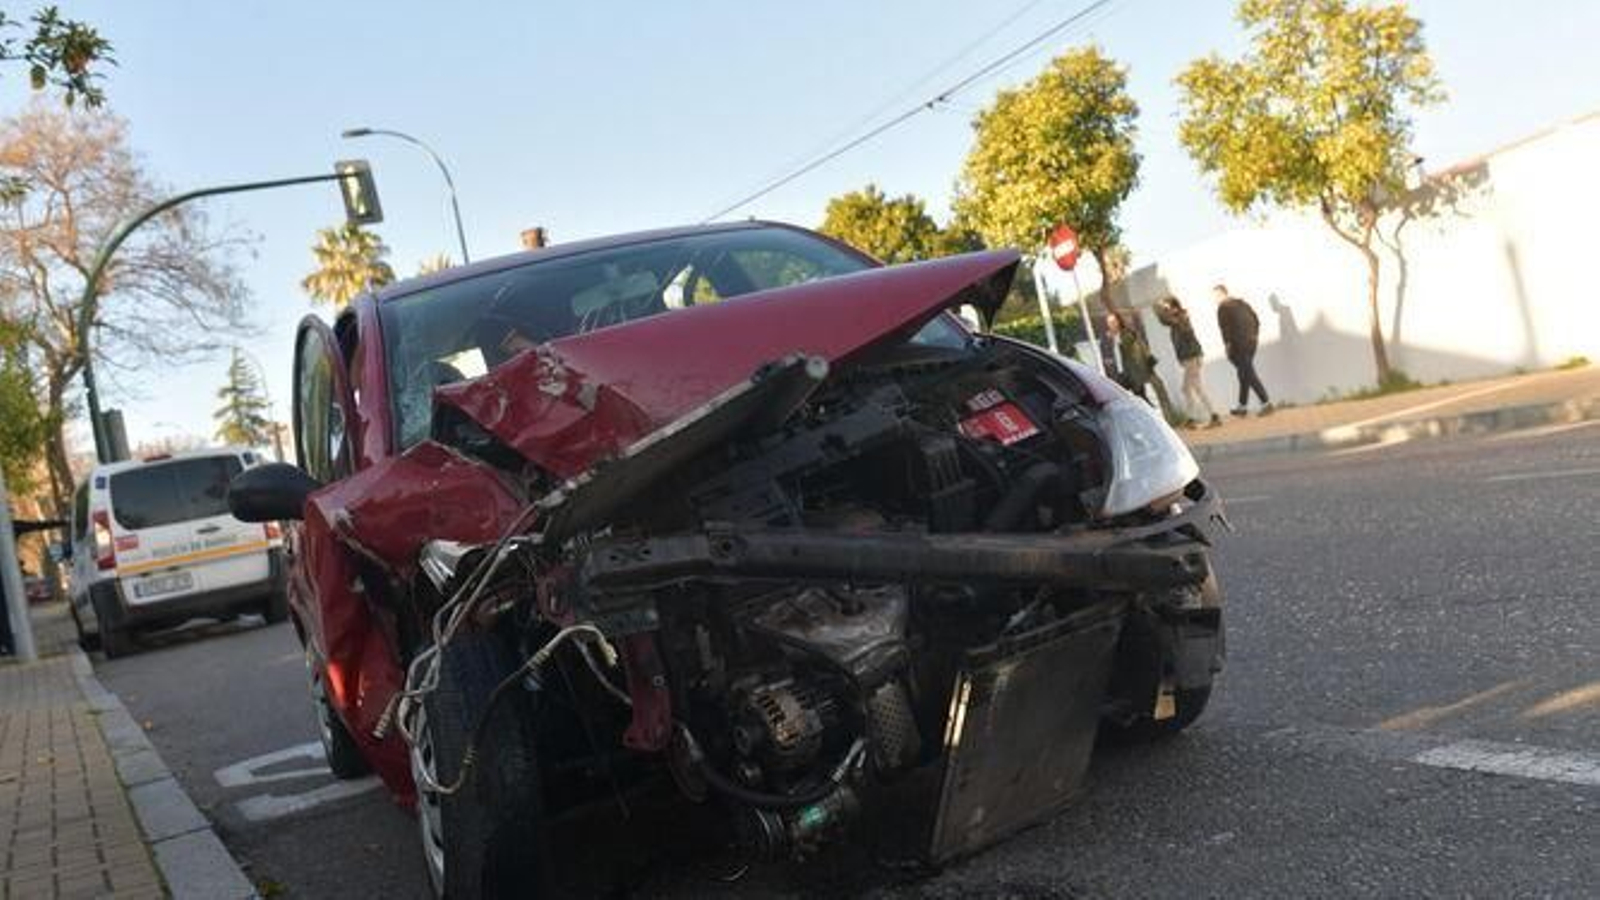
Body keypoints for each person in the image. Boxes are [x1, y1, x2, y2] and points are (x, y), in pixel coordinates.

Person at [1154, 296, 1222, 428]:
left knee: (1189, 388)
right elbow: (1169, 324)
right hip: (1190, 357)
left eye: (1168, 307)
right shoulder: (1179, 318)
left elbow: (1165, 320)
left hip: (1191, 358)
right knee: (1193, 388)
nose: (1167, 310)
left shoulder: (1179, 318)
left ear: (1173, 306)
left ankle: (1207, 417)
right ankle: (1200, 418)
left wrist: (1159, 307)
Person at [1102, 311, 1176, 420]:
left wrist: (1114, 337)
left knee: (1141, 397)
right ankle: (1146, 417)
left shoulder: (1126, 334)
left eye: (1113, 321)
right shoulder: (1106, 339)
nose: (1111, 324)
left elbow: (1127, 344)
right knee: (1122, 399)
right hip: (1118, 374)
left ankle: (1154, 417)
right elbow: (1105, 355)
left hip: (1132, 373)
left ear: (1118, 321)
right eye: (1109, 322)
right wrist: (1107, 363)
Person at [1213, 284, 1272, 416]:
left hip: (1238, 346)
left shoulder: (1223, 307)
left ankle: (1266, 403)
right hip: (1251, 343)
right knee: (1243, 373)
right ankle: (1242, 406)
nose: (1214, 299)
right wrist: (1254, 336)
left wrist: (1228, 347)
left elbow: (1225, 330)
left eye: (1215, 295)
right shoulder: (1242, 303)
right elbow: (1256, 320)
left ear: (1222, 293)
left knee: (1248, 374)